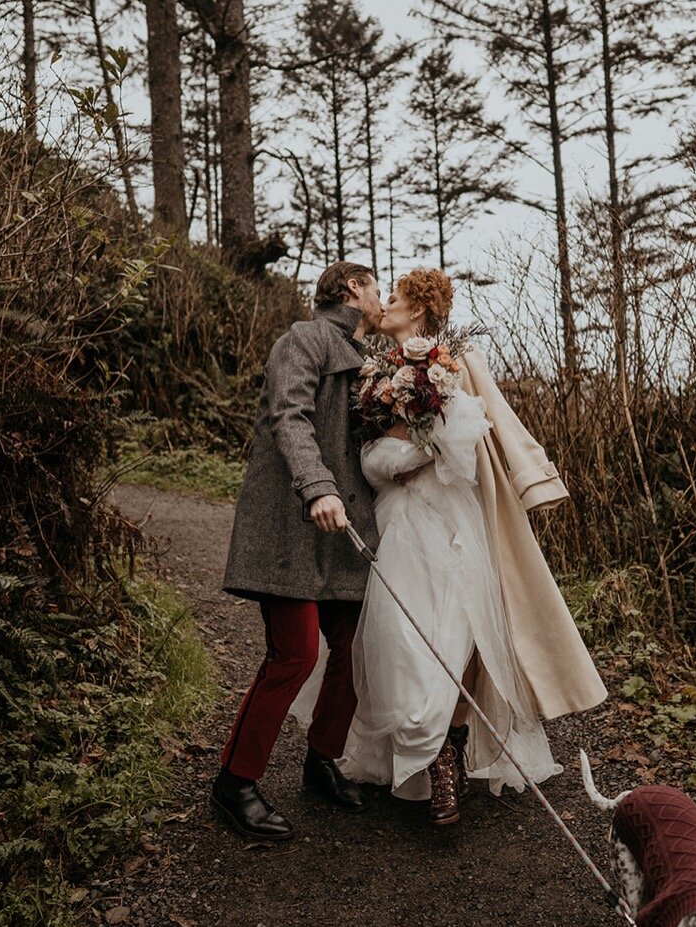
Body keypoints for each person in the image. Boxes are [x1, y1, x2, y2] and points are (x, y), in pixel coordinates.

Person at [339, 268, 607, 824]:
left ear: (417, 311)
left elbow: (465, 444)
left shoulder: (452, 364)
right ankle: (422, 747)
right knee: (400, 633)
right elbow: (365, 451)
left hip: (450, 520)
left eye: (394, 297)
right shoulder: (371, 374)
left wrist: (408, 444)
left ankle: (446, 751)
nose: (384, 303)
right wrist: (386, 451)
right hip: (396, 519)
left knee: (460, 635)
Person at [211, 260, 383, 841]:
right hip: (290, 525)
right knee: (294, 655)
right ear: (354, 289)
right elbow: (291, 416)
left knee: (357, 647)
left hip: (343, 537)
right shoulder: (304, 337)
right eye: (377, 286)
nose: (383, 299)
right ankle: (234, 783)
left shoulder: (374, 363)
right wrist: (318, 487)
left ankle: (321, 761)